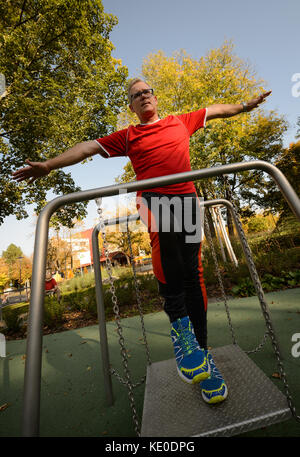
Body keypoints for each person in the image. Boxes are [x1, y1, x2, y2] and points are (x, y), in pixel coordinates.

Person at [12, 78, 271, 404]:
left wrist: (244, 107)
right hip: (156, 204)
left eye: (147, 92)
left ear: (155, 98)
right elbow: (87, 147)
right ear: (131, 106)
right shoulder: (129, 135)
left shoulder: (181, 121)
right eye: (136, 95)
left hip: (188, 202)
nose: (143, 96)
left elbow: (216, 110)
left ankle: (202, 358)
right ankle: (183, 335)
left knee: (194, 275)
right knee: (171, 267)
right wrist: (49, 165)